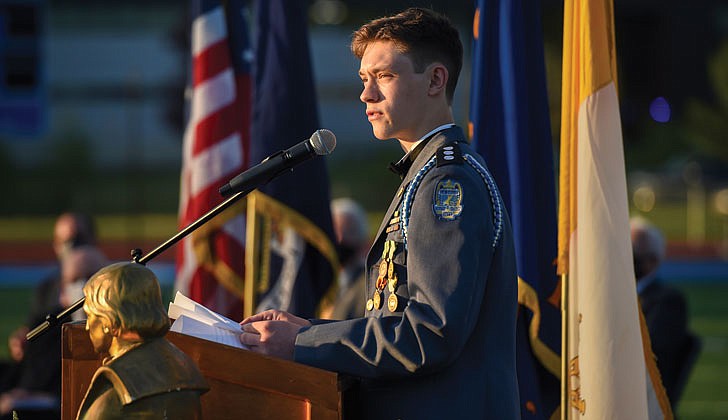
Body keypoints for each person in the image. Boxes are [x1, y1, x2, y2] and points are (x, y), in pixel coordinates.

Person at [239, 7, 520, 418]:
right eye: (364, 80)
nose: (366, 95)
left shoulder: (447, 184)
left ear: (436, 80)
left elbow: (430, 332)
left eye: (385, 77)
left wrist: (301, 345)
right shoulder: (425, 174)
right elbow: (397, 318)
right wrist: (308, 330)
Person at [76, 262, 208, 419]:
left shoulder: (112, 401)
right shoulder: (182, 369)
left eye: (89, 316)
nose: (87, 327)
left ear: (109, 322)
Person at [0, 246, 108, 419]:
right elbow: (28, 384)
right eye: (75, 279)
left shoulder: (121, 331)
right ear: (62, 290)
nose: (83, 287)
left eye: (91, 277)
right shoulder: (44, 329)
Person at [631, 217, 699, 410]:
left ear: (652, 261)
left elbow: (652, 353)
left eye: (633, 253)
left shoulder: (668, 301)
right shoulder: (620, 294)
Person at [328, 198, 370, 320]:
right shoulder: (319, 282)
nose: (340, 239)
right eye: (334, 233)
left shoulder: (368, 285)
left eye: (348, 232)